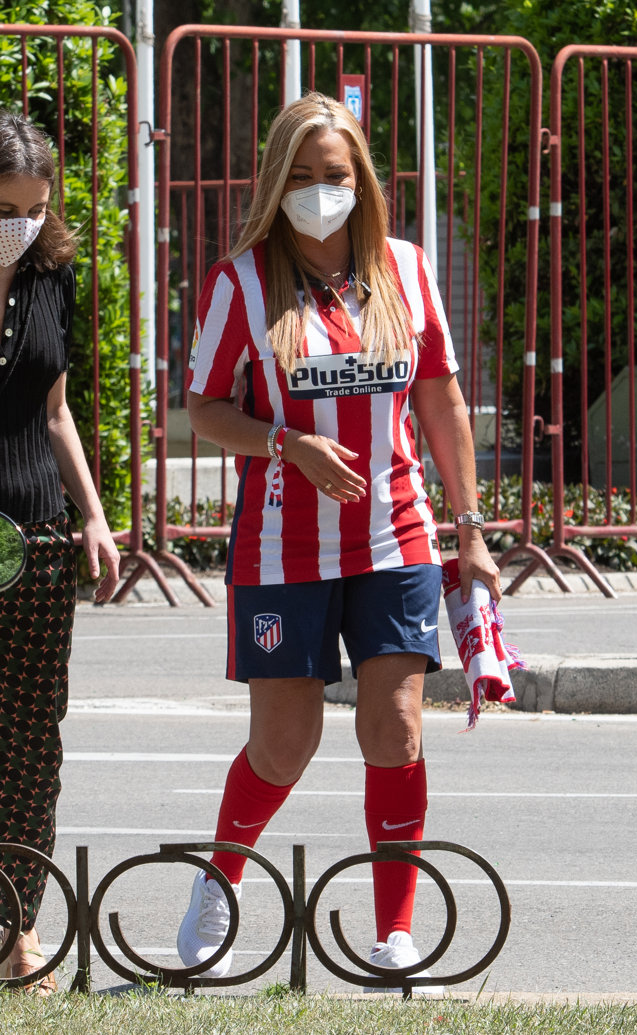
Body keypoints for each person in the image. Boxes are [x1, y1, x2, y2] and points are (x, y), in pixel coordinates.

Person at [177, 91, 501, 989]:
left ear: (363, 181)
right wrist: (285, 441)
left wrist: (469, 531)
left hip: (396, 534)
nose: (322, 192)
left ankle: (393, 934)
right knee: (285, 745)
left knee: (395, 730)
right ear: (277, 182)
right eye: (305, 177)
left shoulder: (406, 268)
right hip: (282, 545)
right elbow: (202, 408)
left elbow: (440, 400)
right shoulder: (240, 280)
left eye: (338, 175)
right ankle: (219, 884)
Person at [0, 109, 120, 994]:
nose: (23, 224)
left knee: (33, 740)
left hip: (36, 537)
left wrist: (94, 515)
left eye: (35, 209)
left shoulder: (54, 275)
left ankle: (19, 927)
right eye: (7, 207)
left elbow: (55, 410)